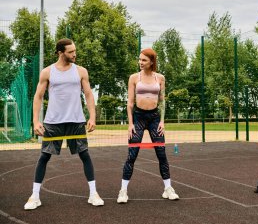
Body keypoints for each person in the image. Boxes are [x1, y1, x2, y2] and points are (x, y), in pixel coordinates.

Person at [24, 38, 104, 210]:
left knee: (85, 155)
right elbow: (38, 96)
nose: (74, 54)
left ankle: (93, 193)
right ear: (60, 52)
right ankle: (35, 196)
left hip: (76, 120)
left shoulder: (81, 71)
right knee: (44, 156)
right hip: (53, 122)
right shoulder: (47, 72)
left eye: (75, 50)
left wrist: (92, 117)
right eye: (70, 52)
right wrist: (36, 121)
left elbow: (89, 94)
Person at [117, 48, 179, 203]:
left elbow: (162, 101)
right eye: (139, 59)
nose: (140, 62)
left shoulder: (160, 78)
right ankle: (123, 191)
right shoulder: (133, 78)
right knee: (132, 155)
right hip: (138, 117)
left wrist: (162, 121)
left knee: (161, 153)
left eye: (144, 60)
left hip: (154, 118)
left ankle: (168, 189)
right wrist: (130, 124)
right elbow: (130, 103)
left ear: (152, 62)